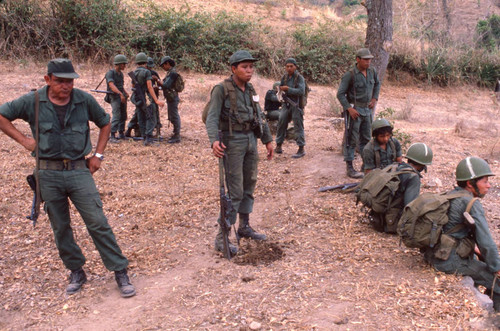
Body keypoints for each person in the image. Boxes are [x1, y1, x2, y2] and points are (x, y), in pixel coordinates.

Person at [0, 58, 135, 297]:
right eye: (60, 81)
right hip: (48, 173)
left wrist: (98, 155)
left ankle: (119, 270)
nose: (66, 86)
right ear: (48, 80)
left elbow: (105, 123)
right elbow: (2, 115)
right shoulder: (33, 101)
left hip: (78, 170)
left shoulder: (83, 99)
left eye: (70, 82)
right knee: (60, 227)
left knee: (97, 221)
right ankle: (76, 270)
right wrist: (23, 140)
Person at [205, 50, 274, 256]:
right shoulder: (221, 89)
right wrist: (214, 141)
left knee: (249, 185)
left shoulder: (250, 88)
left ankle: (244, 227)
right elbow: (212, 117)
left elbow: (259, 115)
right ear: (233, 68)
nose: (249, 70)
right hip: (232, 142)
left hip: (251, 140)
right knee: (234, 191)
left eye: (251, 67)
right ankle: (222, 237)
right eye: (244, 67)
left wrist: (267, 140)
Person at [424, 157, 500, 311]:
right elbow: (487, 243)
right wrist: (497, 267)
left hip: (433, 254)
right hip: (447, 261)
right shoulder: (471, 203)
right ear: (470, 183)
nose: (489, 186)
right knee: (496, 282)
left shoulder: (452, 194)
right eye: (484, 181)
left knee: (480, 263)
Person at [337, 48, 381, 178]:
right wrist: (349, 109)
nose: (368, 62)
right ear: (358, 59)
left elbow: (377, 84)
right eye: (365, 60)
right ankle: (349, 167)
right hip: (354, 111)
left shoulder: (372, 71)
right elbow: (340, 94)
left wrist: (374, 98)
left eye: (370, 60)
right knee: (351, 139)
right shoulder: (350, 75)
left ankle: (366, 165)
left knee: (367, 139)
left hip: (367, 111)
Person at [371, 142, 433, 233]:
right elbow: (410, 206)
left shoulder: (395, 167)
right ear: (422, 165)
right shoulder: (413, 177)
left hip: (377, 217)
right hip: (390, 223)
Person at [275, 58, 306, 158]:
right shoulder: (284, 77)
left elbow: (301, 91)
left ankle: (301, 148)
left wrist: (288, 89)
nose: (289, 68)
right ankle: (278, 145)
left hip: (296, 105)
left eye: (291, 66)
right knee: (281, 122)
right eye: (287, 66)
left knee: (298, 126)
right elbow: (280, 88)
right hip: (286, 103)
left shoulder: (299, 78)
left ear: (295, 67)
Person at [131, 52, 164, 146]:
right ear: (145, 62)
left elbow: (133, 86)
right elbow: (149, 87)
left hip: (138, 99)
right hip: (147, 98)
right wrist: (156, 100)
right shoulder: (146, 72)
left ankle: (144, 137)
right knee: (150, 117)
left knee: (141, 117)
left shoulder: (134, 73)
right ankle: (148, 139)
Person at [106, 54, 129, 143]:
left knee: (123, 115)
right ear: (118, 64)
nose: (124, 66)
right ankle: (112, 135)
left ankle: (121, 133)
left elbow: (120, 86)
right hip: (114, 96)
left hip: (121, 95)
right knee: (116, 115)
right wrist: (120, 94)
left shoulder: (121, 74)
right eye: (123, 64)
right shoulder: (110, 73)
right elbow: (111, 85)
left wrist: (124, 92)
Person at [160, 56, 181, 143]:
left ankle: (177, 135)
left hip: (173, 97)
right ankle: (175, 133)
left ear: (167, 64)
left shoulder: (173, 73)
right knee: (172, 115)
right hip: (171, 97)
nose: (163, 68)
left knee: (174, 116)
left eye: (163, 65)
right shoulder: (170, 73)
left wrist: (157, 81)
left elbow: (166, 85)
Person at [147, 57, 162, 139]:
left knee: (156, 113)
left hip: (154, 96)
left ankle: (158, 132)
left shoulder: (154, 73)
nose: (150, 68)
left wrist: (157, 81)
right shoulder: (143, 73)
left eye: (151, 67)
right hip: (145, 97)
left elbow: (161, 84)